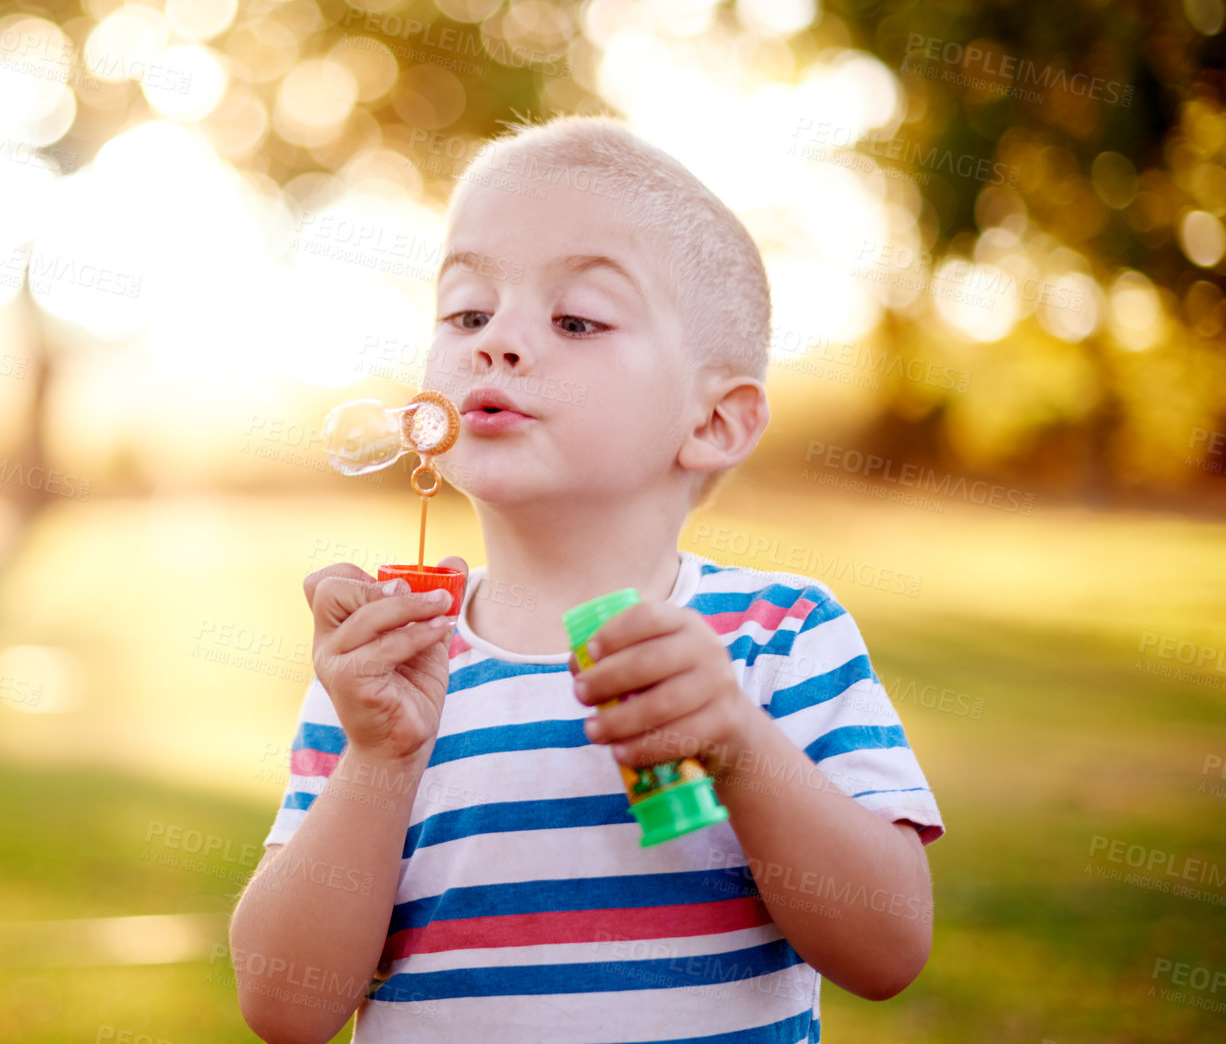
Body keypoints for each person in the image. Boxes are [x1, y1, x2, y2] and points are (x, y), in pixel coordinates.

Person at [228, 115, 943, 1043]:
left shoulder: (777, 635)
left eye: (576, 319)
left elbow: (887, 952)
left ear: (716, 422)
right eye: (467, 312)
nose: (498, 343)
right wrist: (380, 760)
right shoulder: (393, 661)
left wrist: (736, 743)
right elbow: (285, 1009)